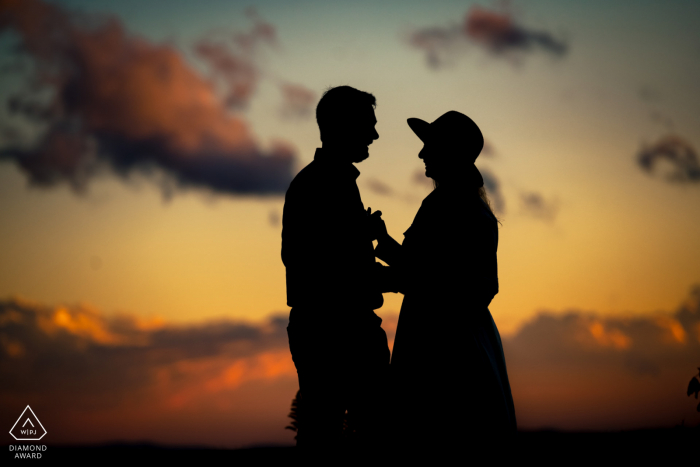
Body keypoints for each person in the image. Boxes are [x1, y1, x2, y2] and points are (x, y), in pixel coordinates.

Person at [372, 111, 516, 451]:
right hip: (452, 338)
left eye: (429, 146)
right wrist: (384, 243)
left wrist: (385, 276)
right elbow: (424, 270)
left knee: (442, 437)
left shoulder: (454, 209)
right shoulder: (448, 206)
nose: (422, 154)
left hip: (447, 346)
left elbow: (465, 285)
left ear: (448, 153)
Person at [281, 86, 394, 455]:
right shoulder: (320, 186)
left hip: (335, 331)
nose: (375, 135)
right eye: (368, 126)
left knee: (337, 440)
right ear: (344, 126)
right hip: (336, 334)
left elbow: (331, 261)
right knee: (346, 443)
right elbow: (323, 270)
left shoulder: (327, 183)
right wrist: (401, 277)